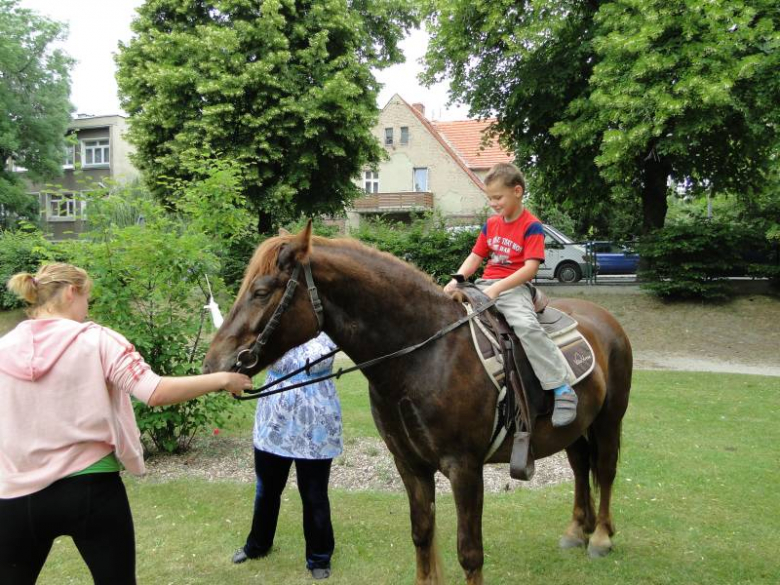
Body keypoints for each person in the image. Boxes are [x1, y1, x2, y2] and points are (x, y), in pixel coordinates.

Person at [0, 263, 253, 585]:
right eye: (87, 298)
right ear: (71, 292)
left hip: (16, 495)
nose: (87, 308)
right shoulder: (99, 340)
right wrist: (223, 379)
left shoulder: (4, 347)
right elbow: (154, 391)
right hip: (91, 489)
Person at [444, 163, 578, 427]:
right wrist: (455, 281)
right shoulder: (491, 224)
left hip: (514, 287)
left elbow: (530, 269)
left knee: (526, 326)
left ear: (517, 191)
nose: (493, 204)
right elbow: (475, 257)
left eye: (498, 197)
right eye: (490, 199)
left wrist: (498, 288)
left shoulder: (532, 226)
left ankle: (561, 387)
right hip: (484, 283)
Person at [232, 332, 342, 581]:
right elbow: (243, 355)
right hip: (274, 422)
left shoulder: (329, 328)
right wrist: (234, 378)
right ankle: (258, 545)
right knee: (266, 490)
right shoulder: (272, 328)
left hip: (317, 426)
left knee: (314, 494)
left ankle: (319, 557)